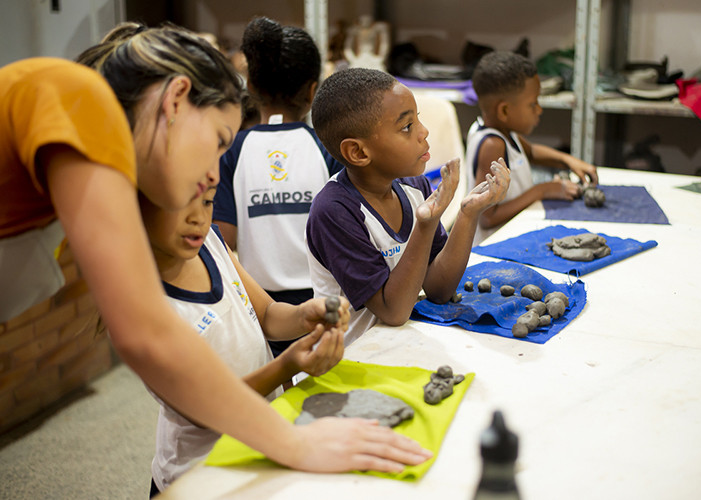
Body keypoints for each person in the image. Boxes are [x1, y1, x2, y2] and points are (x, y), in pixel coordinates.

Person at [0, 23, 430, 478]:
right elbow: (145, 336)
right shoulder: (77, 100)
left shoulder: (104, 154)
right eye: (218, 144)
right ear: (175, 101)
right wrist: (296, 444)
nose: (212, 176)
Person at [139, 186, 348, 495]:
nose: (199, 217)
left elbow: (265, 315)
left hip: (260, 441)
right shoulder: (142, 309)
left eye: (208, 200)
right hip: (200, 474)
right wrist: (286, 366)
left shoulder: (209, 242)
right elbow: (208, 408)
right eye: (182, 203)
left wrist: (303, 315)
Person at [307, 68, 511, 345]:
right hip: (350, 359)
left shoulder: (414, 187)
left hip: (402, 346)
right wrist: (425, 225)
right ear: (358, 152)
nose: (424, 132)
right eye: (407, 127)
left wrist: (467, 213)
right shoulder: (334, 211)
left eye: (418, 119)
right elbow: (393, 311)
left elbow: (438, 289)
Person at [213, 17, 344, 357]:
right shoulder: (326, 147)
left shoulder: (232, 151)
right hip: (324, 301)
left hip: (258, 304)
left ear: (251, 88)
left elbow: (222, 238)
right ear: (314, 90)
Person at [466, 51, 599, 244]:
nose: (539, 110)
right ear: (504, 111)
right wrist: (542, 190)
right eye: (533, 104)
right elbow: (487, 217)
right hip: (493, 246)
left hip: (511, 237)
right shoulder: (492, 144)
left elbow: (532, 153)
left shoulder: (504, 132)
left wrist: (568, 161)